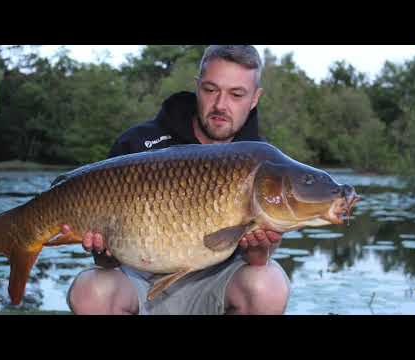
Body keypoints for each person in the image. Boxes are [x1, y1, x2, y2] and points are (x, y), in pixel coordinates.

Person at [65, 45, 290, 315]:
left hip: (215, 284)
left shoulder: (263, 163)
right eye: (210, 90)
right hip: (138, 282)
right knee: (91, 290)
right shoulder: (139, 143)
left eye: (236, 94)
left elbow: (253, 260)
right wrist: (103, 250)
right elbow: (105, 262)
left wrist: (259, 251)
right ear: (197, 87)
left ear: (255, 98)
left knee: (268, 285)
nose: (220, 104)